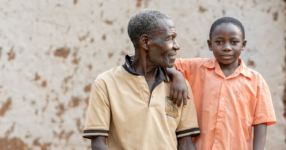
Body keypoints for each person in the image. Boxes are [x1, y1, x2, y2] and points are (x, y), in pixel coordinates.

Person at [82, 9, 200, 150]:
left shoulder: (179, 86)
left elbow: (186, 144)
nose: (176, 46)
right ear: (145, 42)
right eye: (170, 38)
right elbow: (98, 144)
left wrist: (178, 75)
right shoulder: (106, 83)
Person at [167, 17, 276, 150]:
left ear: (243, 45)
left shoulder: (256, 81)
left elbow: (260, 123)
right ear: (210, 44)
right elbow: (164, 63)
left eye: (234, 42)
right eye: (219, 42)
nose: (226, 48)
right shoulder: (195, 68)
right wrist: (177, 75)